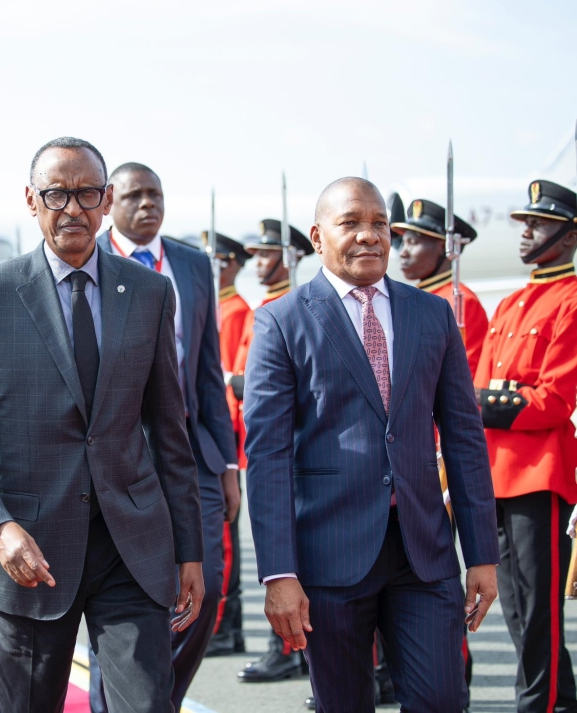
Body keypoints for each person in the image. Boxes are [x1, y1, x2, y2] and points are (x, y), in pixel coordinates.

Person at [0, 137, 204, 713]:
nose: (72, 209)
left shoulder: (150, 293)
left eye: (86, 194)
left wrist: (190, 550)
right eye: (57, 194)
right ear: (31, 201)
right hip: (30, 552)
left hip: (133, 546)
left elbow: (169, 432)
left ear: (106, 203)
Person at [244, 177, 499, 712]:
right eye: (350, 224)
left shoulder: (431, 314)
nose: (369, 236)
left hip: (423, 556)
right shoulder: (282, 321)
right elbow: (266, 456)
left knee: (441, 701)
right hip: (327, 562)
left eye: (379, 224)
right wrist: (279, 573)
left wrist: (481, 554)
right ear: (317, 237)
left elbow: (464, 438)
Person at [89, 162, 238, 711]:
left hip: (192, 451)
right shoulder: (91, 259)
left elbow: (207, 369)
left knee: (209, 585)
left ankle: (155, 700)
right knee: (122, 605)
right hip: (119, 457)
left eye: (156, 195)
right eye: (134, 196)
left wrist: (227, 465)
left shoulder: (194, 265)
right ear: (110, 203)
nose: (148, 205)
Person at [474, 179, 577, 712]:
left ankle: (537, 705)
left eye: (538, 223)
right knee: (512, 604)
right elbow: (494, 387)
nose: (526, 231)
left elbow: (554, 400)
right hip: (496, 471)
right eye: (525, 221)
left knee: (540, 610)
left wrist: (488, 398)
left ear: (568, 235)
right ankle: (558, 700)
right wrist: (497, 395)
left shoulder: (572, 299)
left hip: (540, 472)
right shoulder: (513, 302)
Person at [232, 219, 315, 683]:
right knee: (279, 557)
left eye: (266, 254)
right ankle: (286, 647)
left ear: (293, 256)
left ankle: (291, 649)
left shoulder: (294, 309)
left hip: (296, 448)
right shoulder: (267, 308)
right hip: (258, 440)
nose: (258, 262)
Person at [207, 232, 252, 658]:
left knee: (224, 537)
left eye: (218, 260)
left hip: (227, 433)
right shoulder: (214, 307)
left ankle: (224, 627)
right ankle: (225, 627)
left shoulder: (237, 311)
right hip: (212, 430)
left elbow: (235, 378)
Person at [392, 198, 488, 373]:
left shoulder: (460, 301)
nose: (403, 252)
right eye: (403, 243)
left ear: (443, 247)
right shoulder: (407, 298)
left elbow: (466, 373)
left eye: (413, 243)